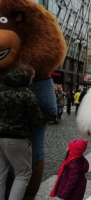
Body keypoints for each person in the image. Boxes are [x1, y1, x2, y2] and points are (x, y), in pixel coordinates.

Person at [0, 66, 50, 200]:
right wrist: (47, 116)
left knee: (1, 173)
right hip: (17, 138)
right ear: (26, 77)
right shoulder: (26, 94)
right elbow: (36, 119)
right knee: (23, 174)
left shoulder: (1, 89)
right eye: (32, 77)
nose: (32, 80)